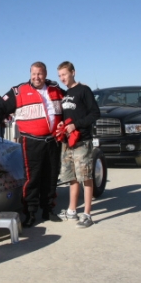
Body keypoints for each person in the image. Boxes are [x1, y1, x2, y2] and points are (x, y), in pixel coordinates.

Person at [0, 61, 65, 227]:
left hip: (53, 141)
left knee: (51, 176)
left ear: (45, 74)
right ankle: (31, 213)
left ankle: (48, 209)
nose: (36, 77)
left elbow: (71, 105)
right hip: (31, 141)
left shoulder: (56, 90)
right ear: (30, 74)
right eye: (34, 74)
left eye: (40, 74)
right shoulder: (19, 91)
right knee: (32, 178)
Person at [56, 61, 100, 228]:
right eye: (60, 76)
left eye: (64, 75)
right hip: (68, 142)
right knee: (72, 177)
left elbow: (95, 113)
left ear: (73, 72)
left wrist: (76, 125)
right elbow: (69, 115)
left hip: (82, 141)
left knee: (86, 177)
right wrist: (62, 125)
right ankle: (72, 211)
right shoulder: (66, 94)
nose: (62, 78)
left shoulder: (84, 90)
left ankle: (87, 214)